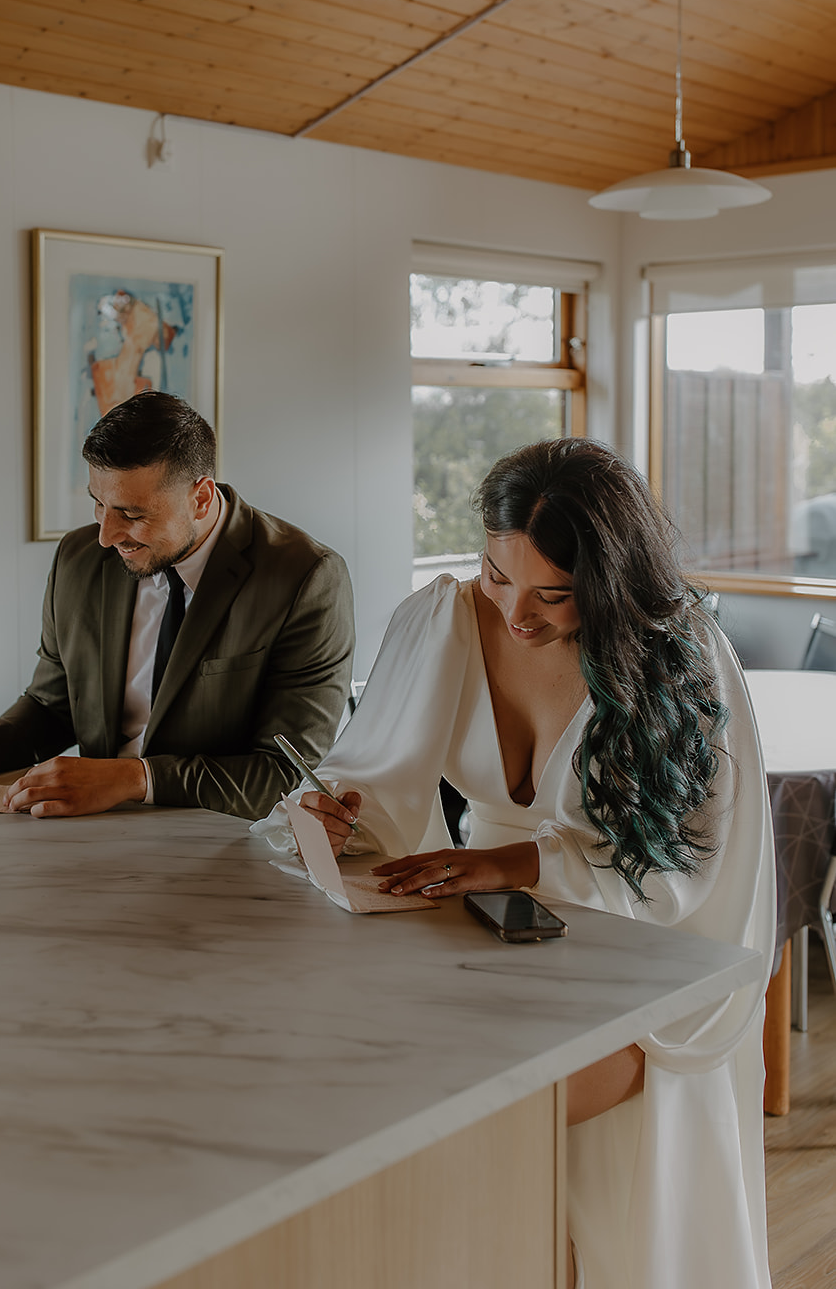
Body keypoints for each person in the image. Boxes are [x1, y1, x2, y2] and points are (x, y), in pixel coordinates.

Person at [254, 438, 775, 1289]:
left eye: (554, 594)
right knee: (372, 1094)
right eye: (497, 577)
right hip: (490, 930)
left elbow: (697, 874)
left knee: (483, 1128)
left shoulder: (681, 658)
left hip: (641, 958)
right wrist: (336, 815)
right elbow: (370, 786)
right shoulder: (443, 620)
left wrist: (516, 864)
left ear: (610, 585)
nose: (515, 615)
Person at [0, 392, 355, 820]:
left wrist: (135, 779)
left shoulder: (306, 578)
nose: (107, 535)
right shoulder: (79, 557)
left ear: (200, 497)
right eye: (98, 504)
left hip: (220, 847)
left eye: (131, 514)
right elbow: (53, 706)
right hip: (85, 835)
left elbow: (286, 773)